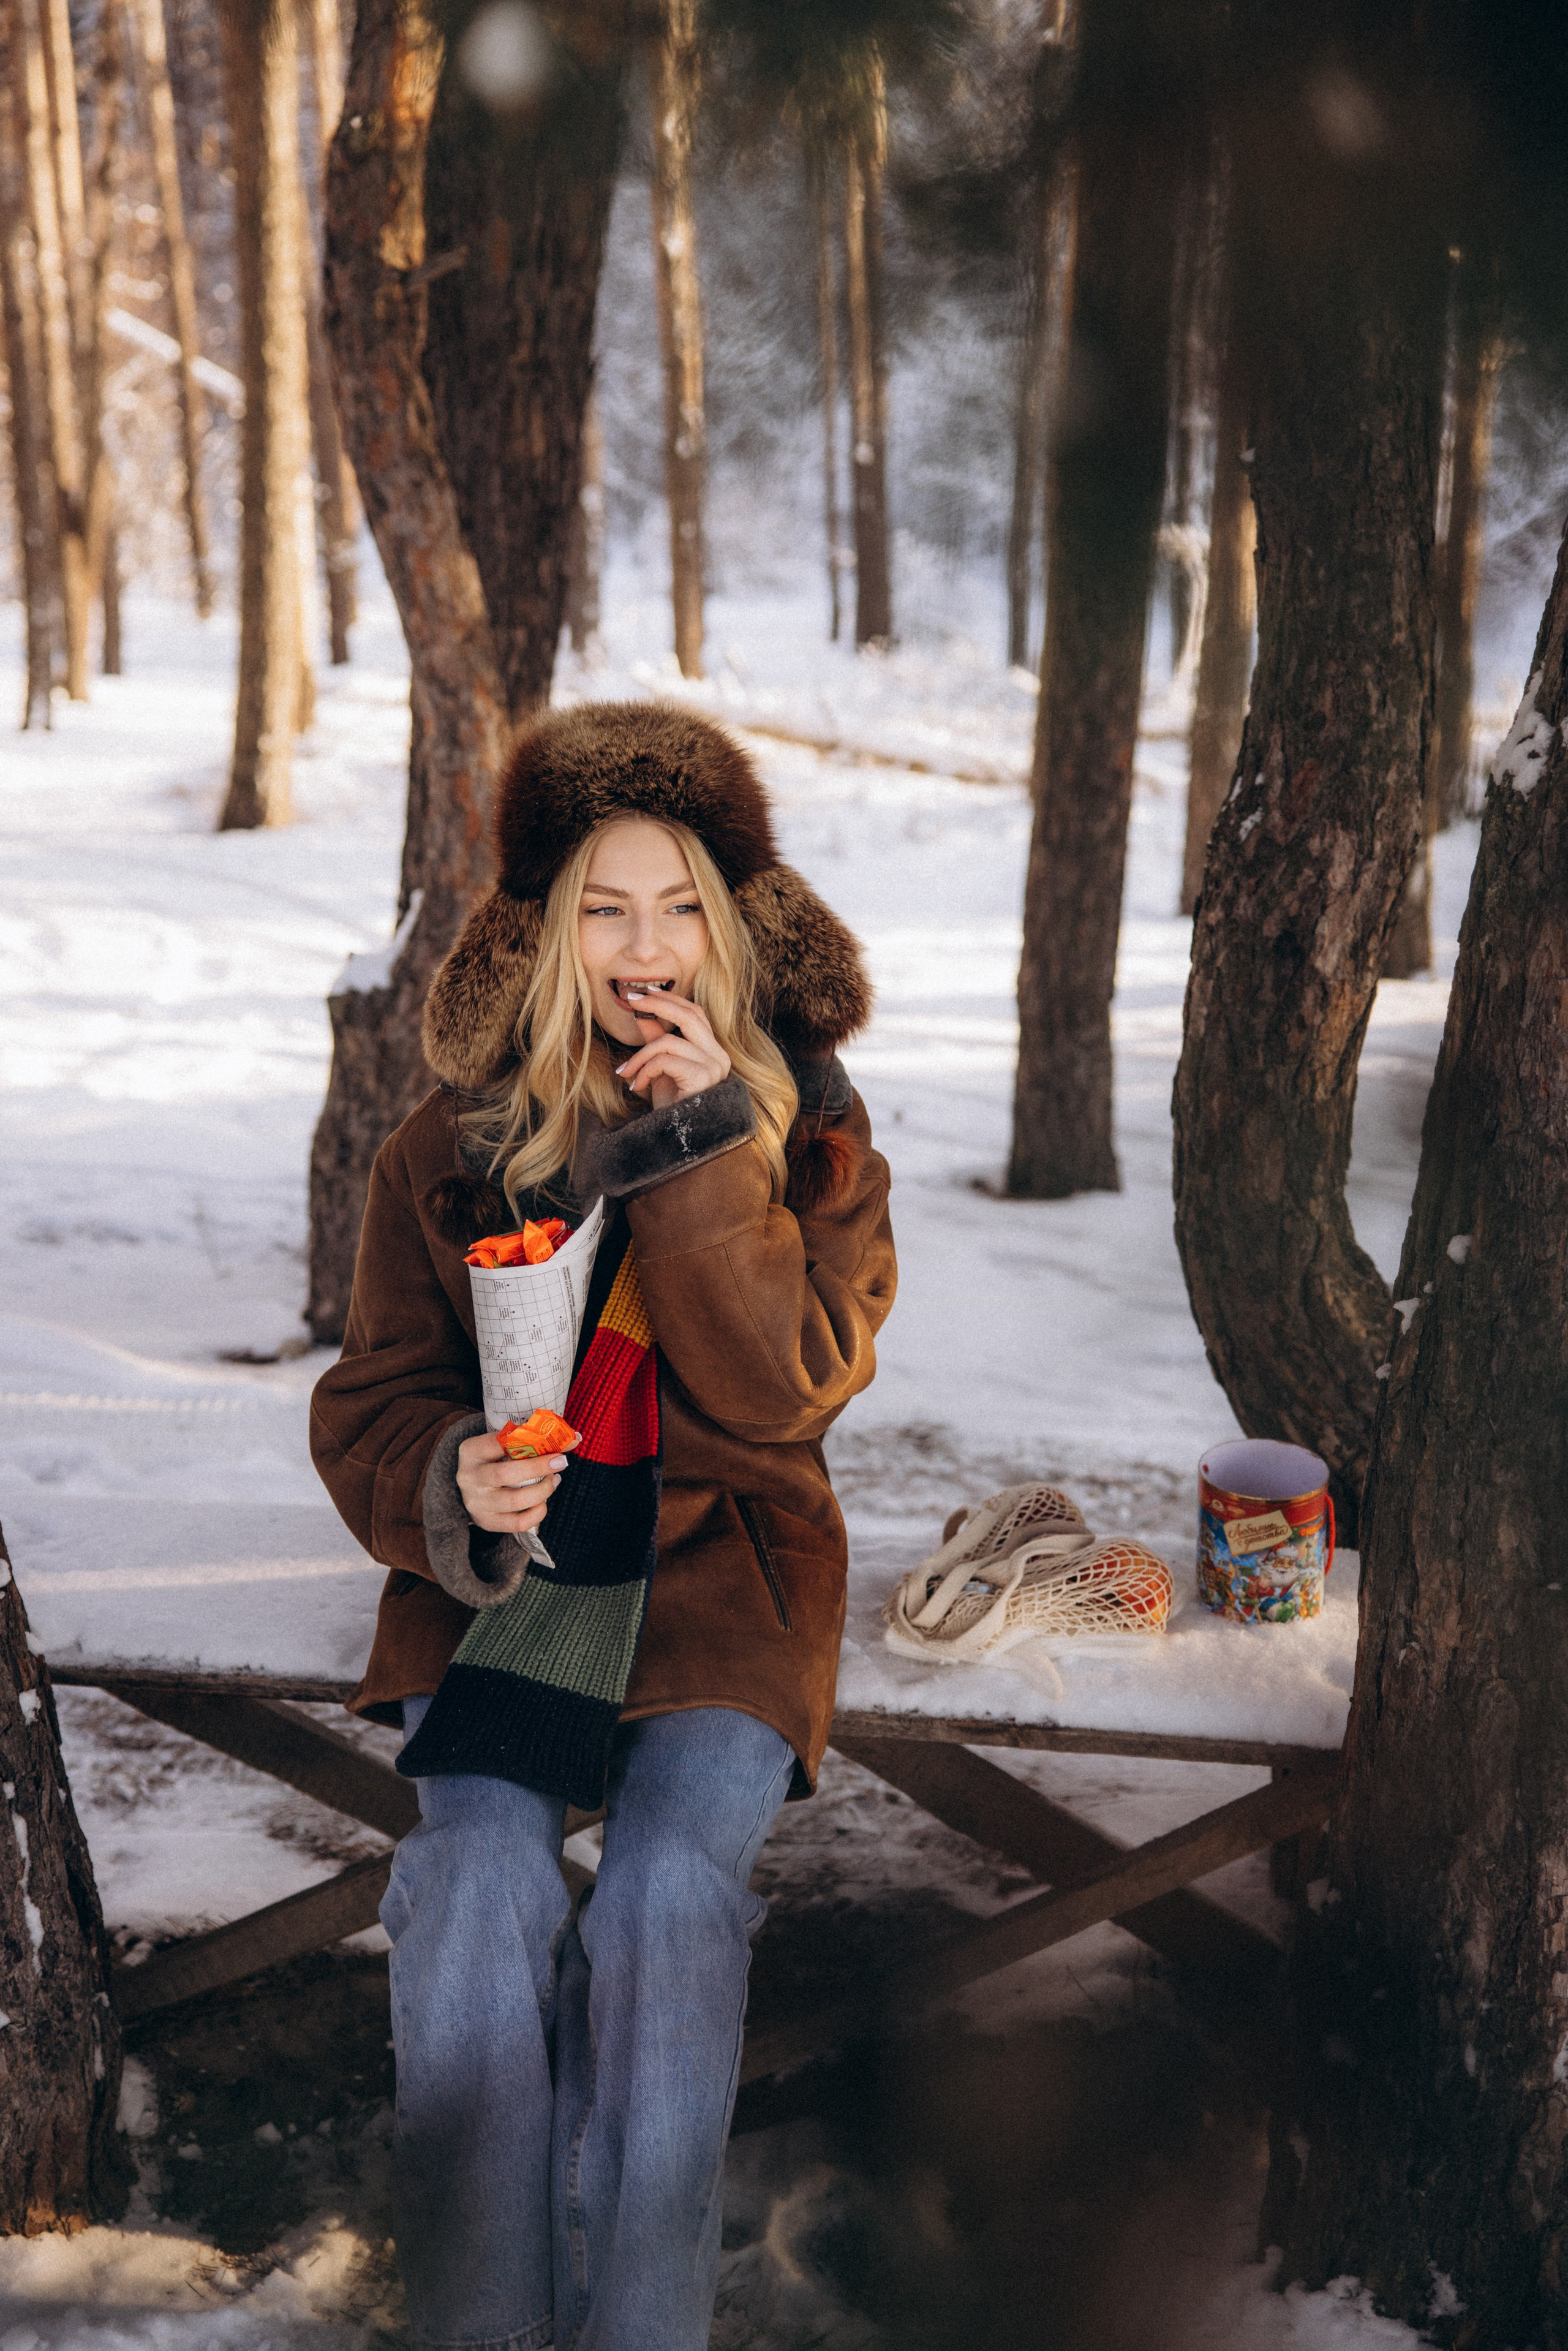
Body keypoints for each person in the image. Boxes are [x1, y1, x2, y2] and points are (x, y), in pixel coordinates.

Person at [310, 702, 896, 2351]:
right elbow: (371, 1399)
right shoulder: (450, 1151)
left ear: (736, 927)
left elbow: (790, 1389)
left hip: (725, 1581)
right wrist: (452, 1481)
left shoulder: (815, 1139)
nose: (647, 950)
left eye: (682, 908)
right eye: (605, 910)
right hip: (515, 1590)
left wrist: (705, 1157)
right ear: (549, 934)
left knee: (665, 1902)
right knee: (472, 1884)